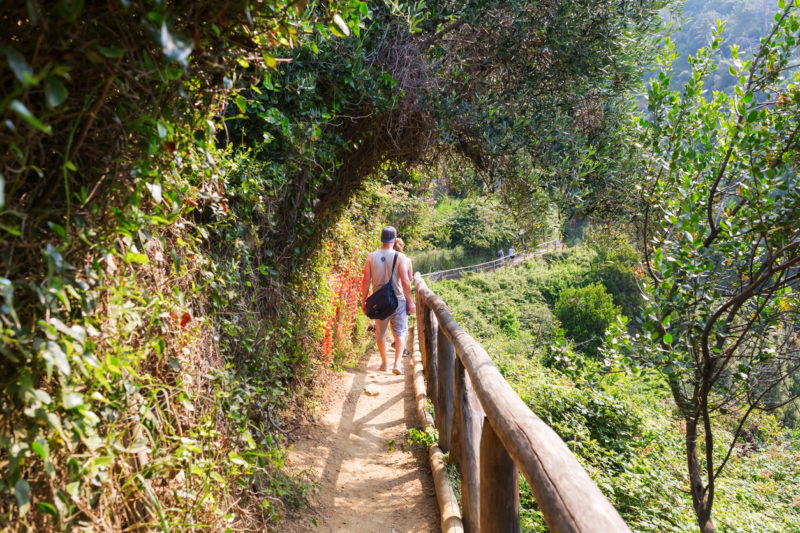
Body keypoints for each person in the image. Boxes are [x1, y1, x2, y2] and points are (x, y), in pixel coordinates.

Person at [361, 226, 415, 374]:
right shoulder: (400, 257)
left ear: (381, 238)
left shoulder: (371, 257)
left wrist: (363, 301)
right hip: (398, 301)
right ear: (395, 239)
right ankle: (397, 364)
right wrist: (410, 302)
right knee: (400, 334)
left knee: (380, 335)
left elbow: (366, 280)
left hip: (380, 303)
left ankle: (385, 363)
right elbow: (405, 280)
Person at [393, 237, 413, 357]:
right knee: (403, 323)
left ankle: (396, 342)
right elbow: (409, 278)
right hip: (402, 294)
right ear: (402, 246)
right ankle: (404, 348)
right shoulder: (407, 260)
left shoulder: (389, 258)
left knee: (393, 321)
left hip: (391, 294)